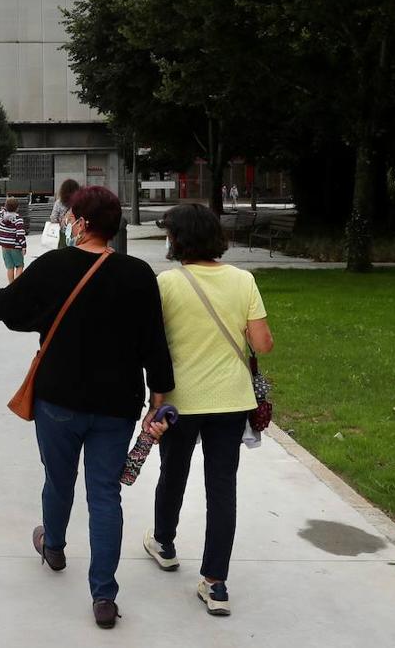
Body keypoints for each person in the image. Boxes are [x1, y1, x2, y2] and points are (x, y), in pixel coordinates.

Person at [0, 185, 174, 629]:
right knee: (105, 495)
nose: (68, 222)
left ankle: (53, 545)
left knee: (59, 478)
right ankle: (104, 596)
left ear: (83, 223)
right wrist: (159, 395)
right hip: (118, 404)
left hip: (59, 400)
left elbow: (1, 309)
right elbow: (154, 341)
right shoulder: (138, 274)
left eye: (72, 217)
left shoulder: (54, 266)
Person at [143, 203, 275, 617]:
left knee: (173, 472)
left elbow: (154, 345)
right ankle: (216, 582)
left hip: (181, 401)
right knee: (222, 488)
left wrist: (155, 398)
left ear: (179, 239)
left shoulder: (167, 284)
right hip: (231, 400)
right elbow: (264, 343)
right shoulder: (243, 280)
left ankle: (164, 542)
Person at [0, 197, 27, 282]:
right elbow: (20, 234)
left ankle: (11, 285)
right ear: (17, 208)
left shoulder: (2, 216)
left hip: (4, 246)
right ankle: (16, 287)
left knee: (10, 267)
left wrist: (4, 209)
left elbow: (0, 212)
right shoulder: (18, 219)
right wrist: (23, 246)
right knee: (19, 266)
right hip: (15, 246)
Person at [52, 179, 80, 249]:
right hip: (77, 233)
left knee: (63, 253)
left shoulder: (59, 202)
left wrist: (60, 222)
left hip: (63, 233)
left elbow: (53, 218)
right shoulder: (79, 202)